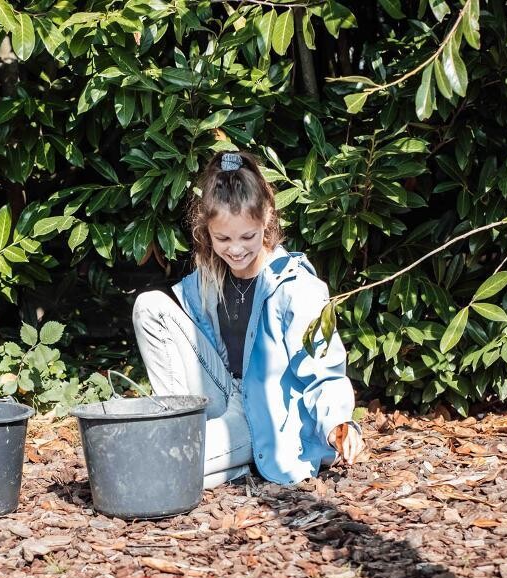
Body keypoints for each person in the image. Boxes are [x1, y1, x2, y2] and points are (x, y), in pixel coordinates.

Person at [132, 151, 364, 489]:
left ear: (266, 218)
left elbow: (322, 366)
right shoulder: (208, 277)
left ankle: (229, 457)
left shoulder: (295, 288)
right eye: (223, 239)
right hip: (223, 395)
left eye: (247, 237)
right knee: (149, 305)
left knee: (161, 462)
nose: (236, 250)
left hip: (267, 417)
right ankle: (181, 428)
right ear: (207, 230)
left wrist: (337, 422)